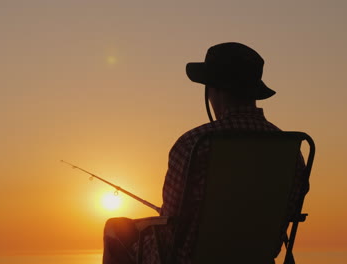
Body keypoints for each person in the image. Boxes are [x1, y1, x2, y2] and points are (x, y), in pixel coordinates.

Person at [102, 42, 308, 264]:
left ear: (214, 89)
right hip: (257, 258)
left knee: (115, 227)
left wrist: (150, 225)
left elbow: (172, 227)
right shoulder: (290, 151)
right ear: (254, 92)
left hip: (188, 260)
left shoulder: (194, 144)